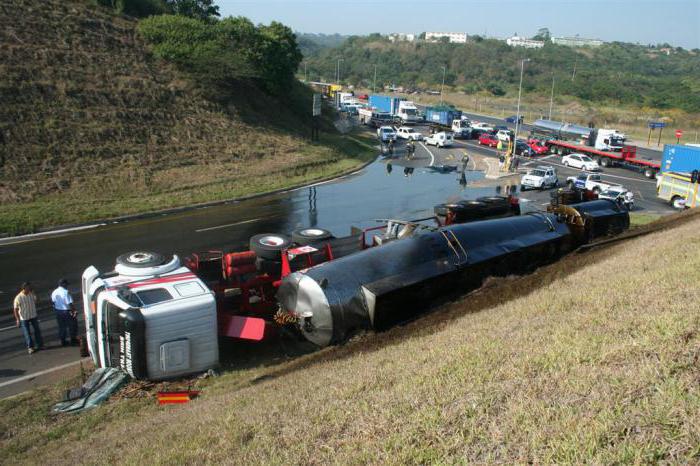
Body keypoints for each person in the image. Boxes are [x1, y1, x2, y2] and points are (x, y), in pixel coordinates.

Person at [13, 282, 43, 354]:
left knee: (37, 331)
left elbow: (38, 300)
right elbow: (15, 309)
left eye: (30, 287)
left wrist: (35, 293)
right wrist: (17, 319)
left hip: (33, 315)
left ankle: (40, 345)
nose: (30, 288)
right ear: (24, 288)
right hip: (24, 318)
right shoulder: (18, 297)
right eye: (28, 287)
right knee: (27, 333)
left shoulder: (31, 294)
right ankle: (30, 347)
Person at [52, 278, 79, 346]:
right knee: (73, 325)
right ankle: (73, 340)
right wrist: (74, 311)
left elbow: (53, 302)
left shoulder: (54, 292)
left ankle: (63, 341)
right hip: (66, 311)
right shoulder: (65, 292)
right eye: (66, 284)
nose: (67, 286)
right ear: (63, 284)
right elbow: (69, 303)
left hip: (58, 311)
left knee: (62, 327)